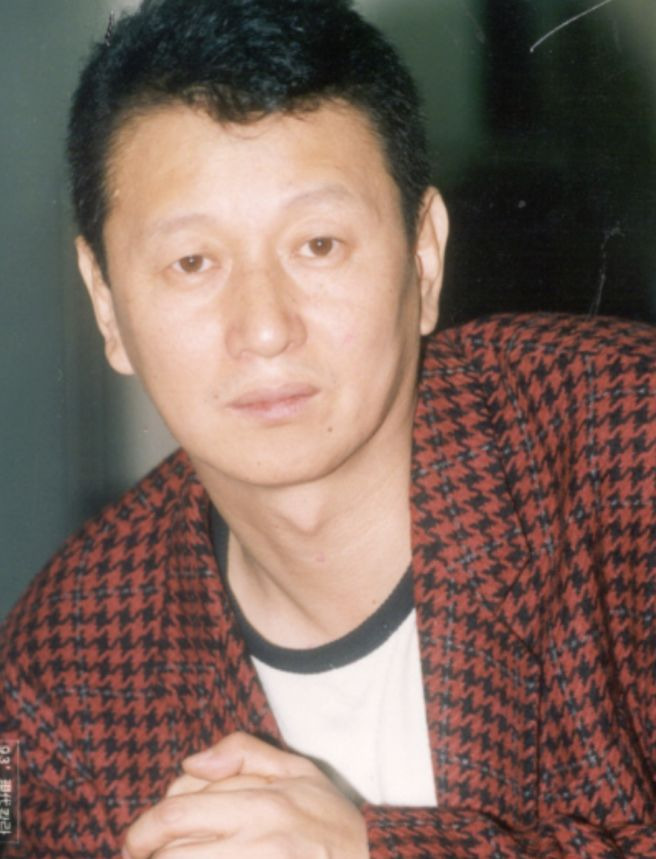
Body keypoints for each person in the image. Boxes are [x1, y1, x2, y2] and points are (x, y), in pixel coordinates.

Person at [1, 0, 655, 856]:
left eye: (318, 245)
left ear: (424, 255)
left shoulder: (625, 446)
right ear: (106, 305)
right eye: (192, 262)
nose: (265, 328)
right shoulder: (58, 679)